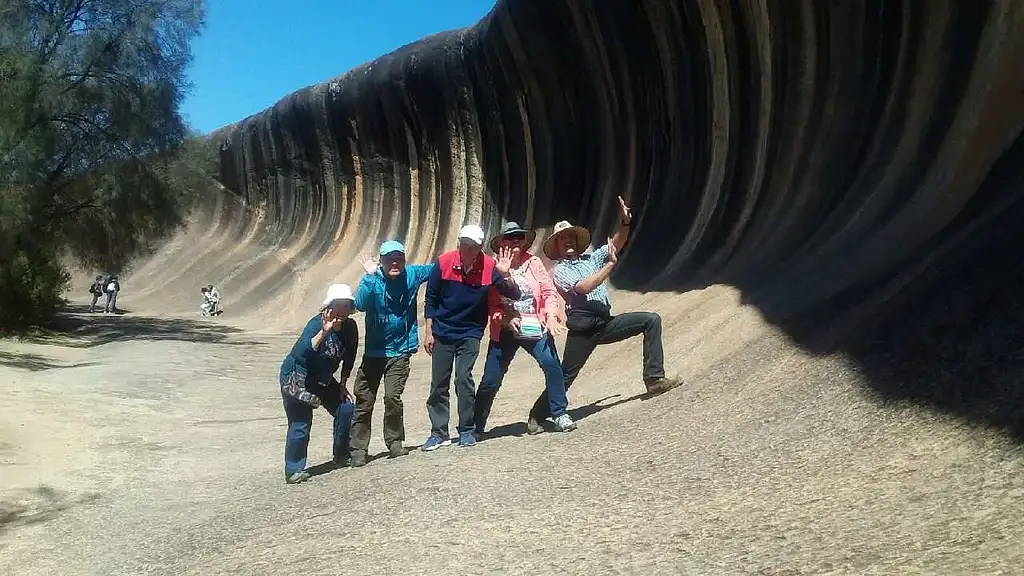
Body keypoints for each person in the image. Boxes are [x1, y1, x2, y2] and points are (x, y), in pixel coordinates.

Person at [527, 196, 683, 434]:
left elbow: (616, 244)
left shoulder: (592, 258)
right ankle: (537, 415)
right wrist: (610, 266)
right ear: (557, 246)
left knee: (650, 320)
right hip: (584, 327)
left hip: (605, 321)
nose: (567, 241)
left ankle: (654, 380)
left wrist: (625, 222)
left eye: (569, 237)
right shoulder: (560, 271)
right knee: (566, 375)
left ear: (576, 241)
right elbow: (583, 288)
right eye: (562, 239)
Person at [422, 224, 520, 450]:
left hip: (470, 332)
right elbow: (431, 299)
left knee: (463, 378)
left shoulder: (489, 266)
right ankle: (438, 433)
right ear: (459, 244)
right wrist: (429, 331)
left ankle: (467, 429)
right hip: (443, 332)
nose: (468, 250)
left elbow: (513, 294)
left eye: (473, 246)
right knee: (438, 384)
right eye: (465, 245)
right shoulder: (444, 262)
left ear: (480, 247)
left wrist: (505, 274)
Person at [474, 221, 575, 436]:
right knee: (490, 380)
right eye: (510, 237)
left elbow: (548, 292)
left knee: (552, 365)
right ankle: (476, 424)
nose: (516, 241)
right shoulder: (492, 268)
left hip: (534, 325)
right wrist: (505, 321)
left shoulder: (534, 262)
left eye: (519, 237)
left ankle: (559, 413)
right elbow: (491, 306)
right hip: (505, 330)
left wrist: (551, 316)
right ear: (501, 242)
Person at [349, 240, 435, 466]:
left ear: (405, 260)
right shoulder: (372, 280)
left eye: (399, 258)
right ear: (382, 261)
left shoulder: (413, 274)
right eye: (389, 259)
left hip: (400, 351)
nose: (394, 263)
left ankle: (395, 442)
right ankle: (358, 449)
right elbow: (360, 304)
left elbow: (440, 267)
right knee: (364, 400)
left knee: (392, 397)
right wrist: (370, 276)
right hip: (374, 353)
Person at [278, 284, 358, 484]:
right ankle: (294, 469)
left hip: (323, 378)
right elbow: (300, 353)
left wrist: (342, 383)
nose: (342, 309)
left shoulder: (350, 328)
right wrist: (324, 332)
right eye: (338, 304)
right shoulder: (315, 324)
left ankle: (341, 454)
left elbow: (350, 356)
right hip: (298, 378)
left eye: (346, 305)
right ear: (329, 306)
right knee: (301, 423)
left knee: (346, 408)